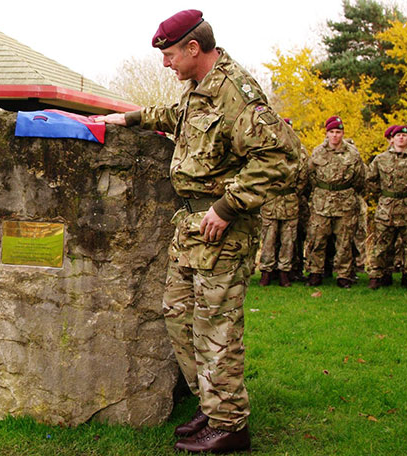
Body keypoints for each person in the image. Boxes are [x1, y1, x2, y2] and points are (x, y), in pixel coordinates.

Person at [96, 10, 298, 453]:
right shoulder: (199, 91)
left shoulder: (236, 93)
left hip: (221, 231)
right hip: (189, 229)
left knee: (216, 328)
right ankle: (211, 401)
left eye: (169, 55)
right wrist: (128, 119)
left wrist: (228, 206)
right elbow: (177, 116)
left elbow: (281, 157)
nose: (165, 64)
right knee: (179, 317)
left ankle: (231, 425)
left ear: (193, 48)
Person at [305, 116, 366, 288]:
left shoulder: (353, 154)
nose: (335, 136)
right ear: (327, 134)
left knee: (344, 241)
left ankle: (343, 275)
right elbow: (309, 175)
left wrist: (349, 194)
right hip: (321, 203)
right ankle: (315, 272)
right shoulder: (317, 152)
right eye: (331, 132)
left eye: (338, 132)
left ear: (343, 133)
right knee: (317, 239)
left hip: (345, 203)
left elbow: (360, 179)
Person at [366, 125, 407, 290]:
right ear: (392, 139)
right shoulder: (381, 159)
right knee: (381, 244)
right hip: (387, 208)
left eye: (404, 136)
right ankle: (377, 276)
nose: (401, 138)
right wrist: (384, 195)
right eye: (398, 135)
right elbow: (371, 180)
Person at [259, 121, 309, 287]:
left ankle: (284, 273)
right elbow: (259, 174)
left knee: (288, 240)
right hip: (270, 201)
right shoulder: (266, 150)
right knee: (268, 239)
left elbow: (303, 179)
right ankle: (266, 272)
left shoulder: (300, 153)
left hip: (290, 202)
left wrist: (290, 191)